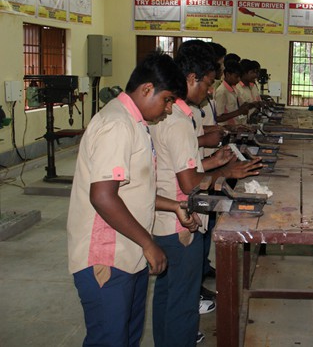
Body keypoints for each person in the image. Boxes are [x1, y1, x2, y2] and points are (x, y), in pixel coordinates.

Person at [67, 52, 188, 346]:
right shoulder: (117, 124)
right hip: (108, 256)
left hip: (129, 253)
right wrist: (149, 243)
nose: (169, 109)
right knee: (110, 340)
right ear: (147, 89)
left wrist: (173, 205)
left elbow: (134, 192)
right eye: (167, 100)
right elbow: (103, 197)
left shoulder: (135, 123)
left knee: (127, 338)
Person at [150, 41, 262, 347]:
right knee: (184, 299)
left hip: (163, 220)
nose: (210, 91)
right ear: (191, 78)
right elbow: (189, 183)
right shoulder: (178, 121)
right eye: (208, 83)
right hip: (181, 222)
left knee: (167, 293)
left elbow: (180, 166)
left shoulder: (171, 114)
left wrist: (213, 162)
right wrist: (226, 173)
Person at [214, 59, 255, 126]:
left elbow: (241, 105)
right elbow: (218, 118)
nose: (238, 80)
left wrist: (249, 105)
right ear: (227, 75)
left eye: (239, 77)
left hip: (237, 126)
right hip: (226, 129)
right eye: (236, 77)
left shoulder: (235, 88)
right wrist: (238, 112)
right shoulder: (222, 91)